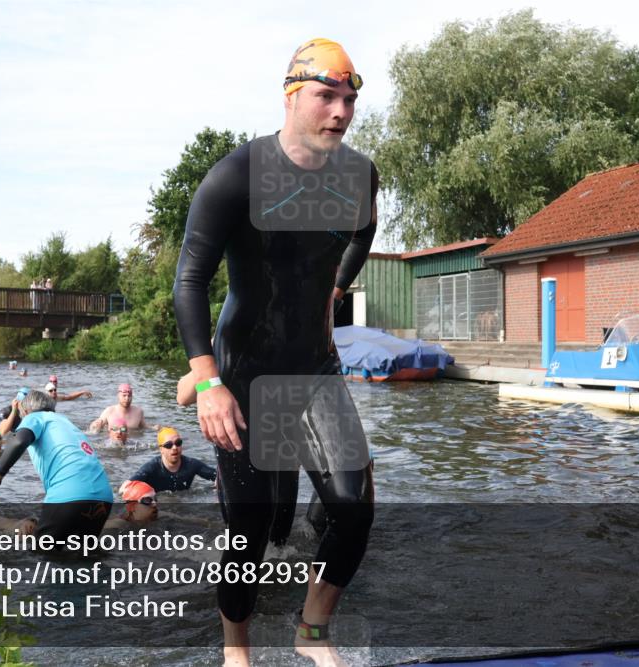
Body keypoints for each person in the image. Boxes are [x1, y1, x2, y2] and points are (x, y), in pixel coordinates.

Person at [172, 37, 377, 665]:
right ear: (291, 96)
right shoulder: (237, 174)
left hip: (314, 369)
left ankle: (311, 630)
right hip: (246, 371)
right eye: (325, 96)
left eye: (349, 99)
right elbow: (190, 280)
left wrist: (338, 286)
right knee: (251, 530)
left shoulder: (359, 174)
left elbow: (364, 229)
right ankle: (237, 650)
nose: (339, 111)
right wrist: (207, 381)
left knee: (353, 507)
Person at [0, 390, 113, 542]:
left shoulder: (34, 417)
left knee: (42, 555)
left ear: (25, 410)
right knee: (84, 555)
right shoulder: (64, 421)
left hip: (70, 494)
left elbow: (18, 441)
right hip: (103, 496)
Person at [130, 427, 216, 493]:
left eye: (178, 443)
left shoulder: (191, 464)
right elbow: (126, 487)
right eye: (168, 445)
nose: (174, 448)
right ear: (161, 449)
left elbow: (219, 477)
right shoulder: (152, 467)